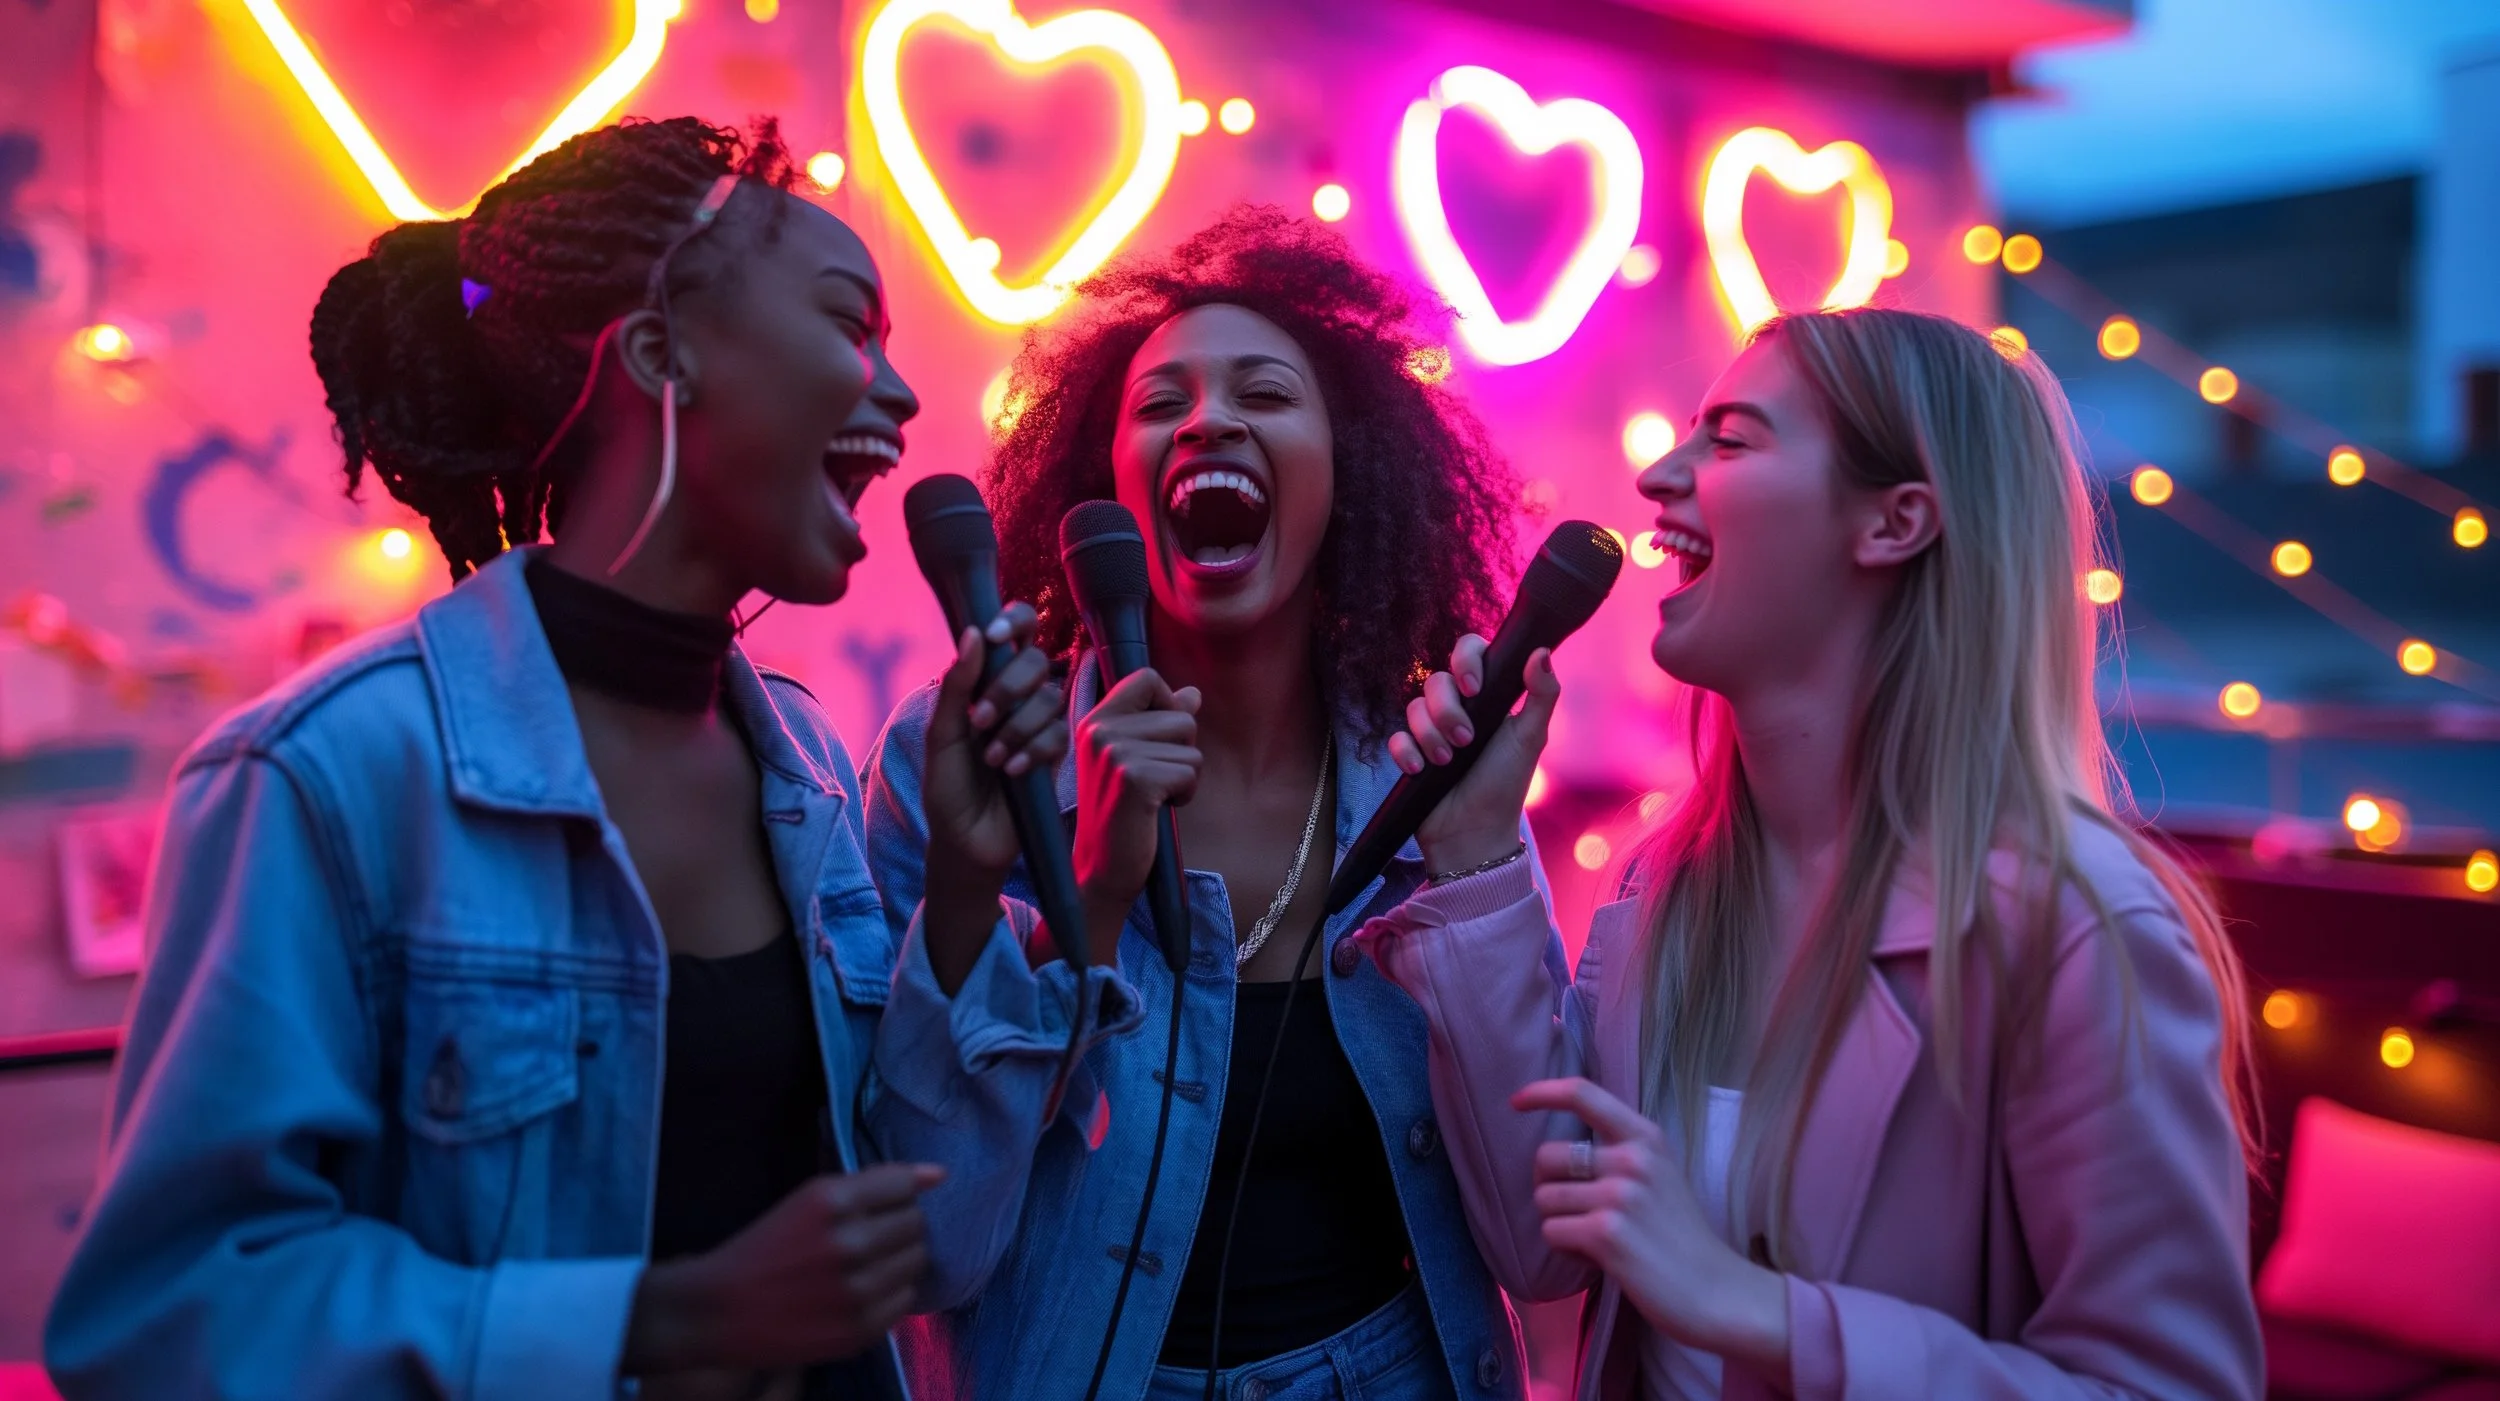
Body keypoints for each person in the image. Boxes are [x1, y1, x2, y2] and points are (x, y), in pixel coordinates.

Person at [43, 117, 1074, 1401]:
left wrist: (971, 898)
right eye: (848, 326)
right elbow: (172, 1315)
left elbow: (929, 1256)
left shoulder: (803, 762)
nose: (900, 392)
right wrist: (655, 1320)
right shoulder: (329, 776)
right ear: (660, 355)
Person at [1360, 307, 2264, 1400]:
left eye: (1730, 440)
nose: (1658, 473)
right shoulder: (1668, 886)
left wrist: (1766, 1316)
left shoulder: (2077, 930)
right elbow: (1542, 1250)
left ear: (1895, 523)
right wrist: (1472, 856)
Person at [864, 207, 1548, 1400]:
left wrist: (1480, 861)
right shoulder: (965, 755)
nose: (1211, 420)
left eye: (1264, 396)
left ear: (1350, 473)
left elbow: (1540, 1251)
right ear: (1105, 483)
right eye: (1161, 404)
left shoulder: (1426, 768)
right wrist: (1088, 888)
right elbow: (926, 1252)